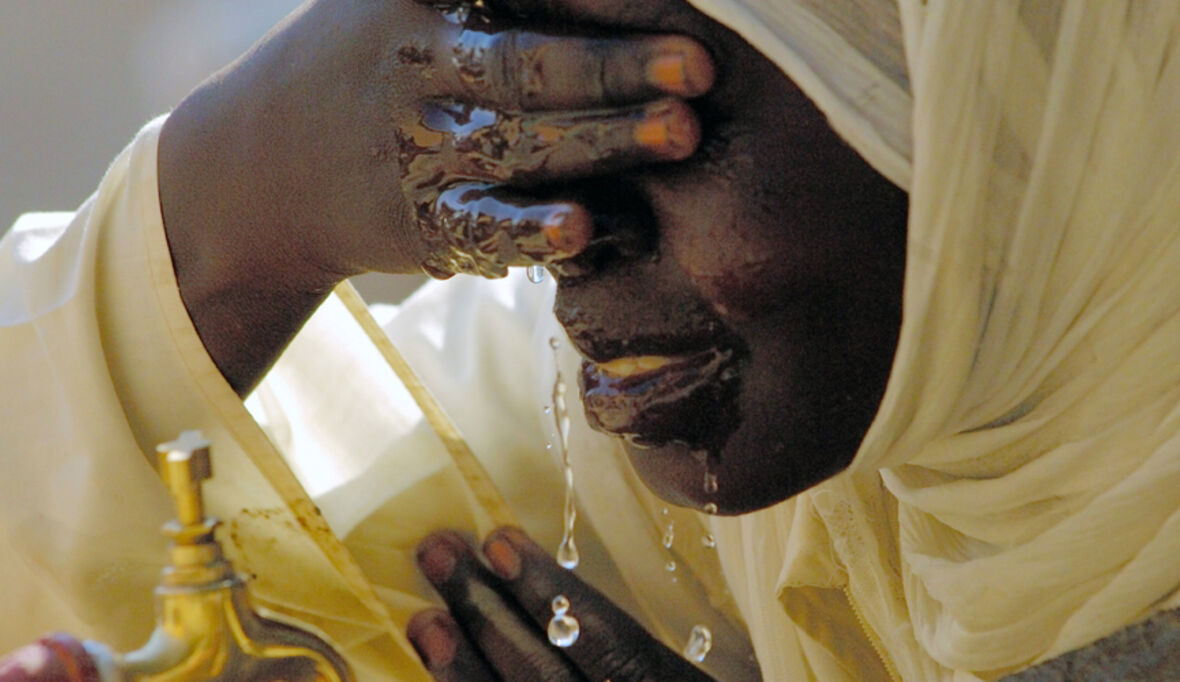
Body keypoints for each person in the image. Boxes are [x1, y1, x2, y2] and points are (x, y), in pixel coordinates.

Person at [4, 0, 1180, 680]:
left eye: (651, 115)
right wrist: (231, 207)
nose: (557, 232)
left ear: (1004, 115)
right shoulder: (777, 484)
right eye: (514, 117)